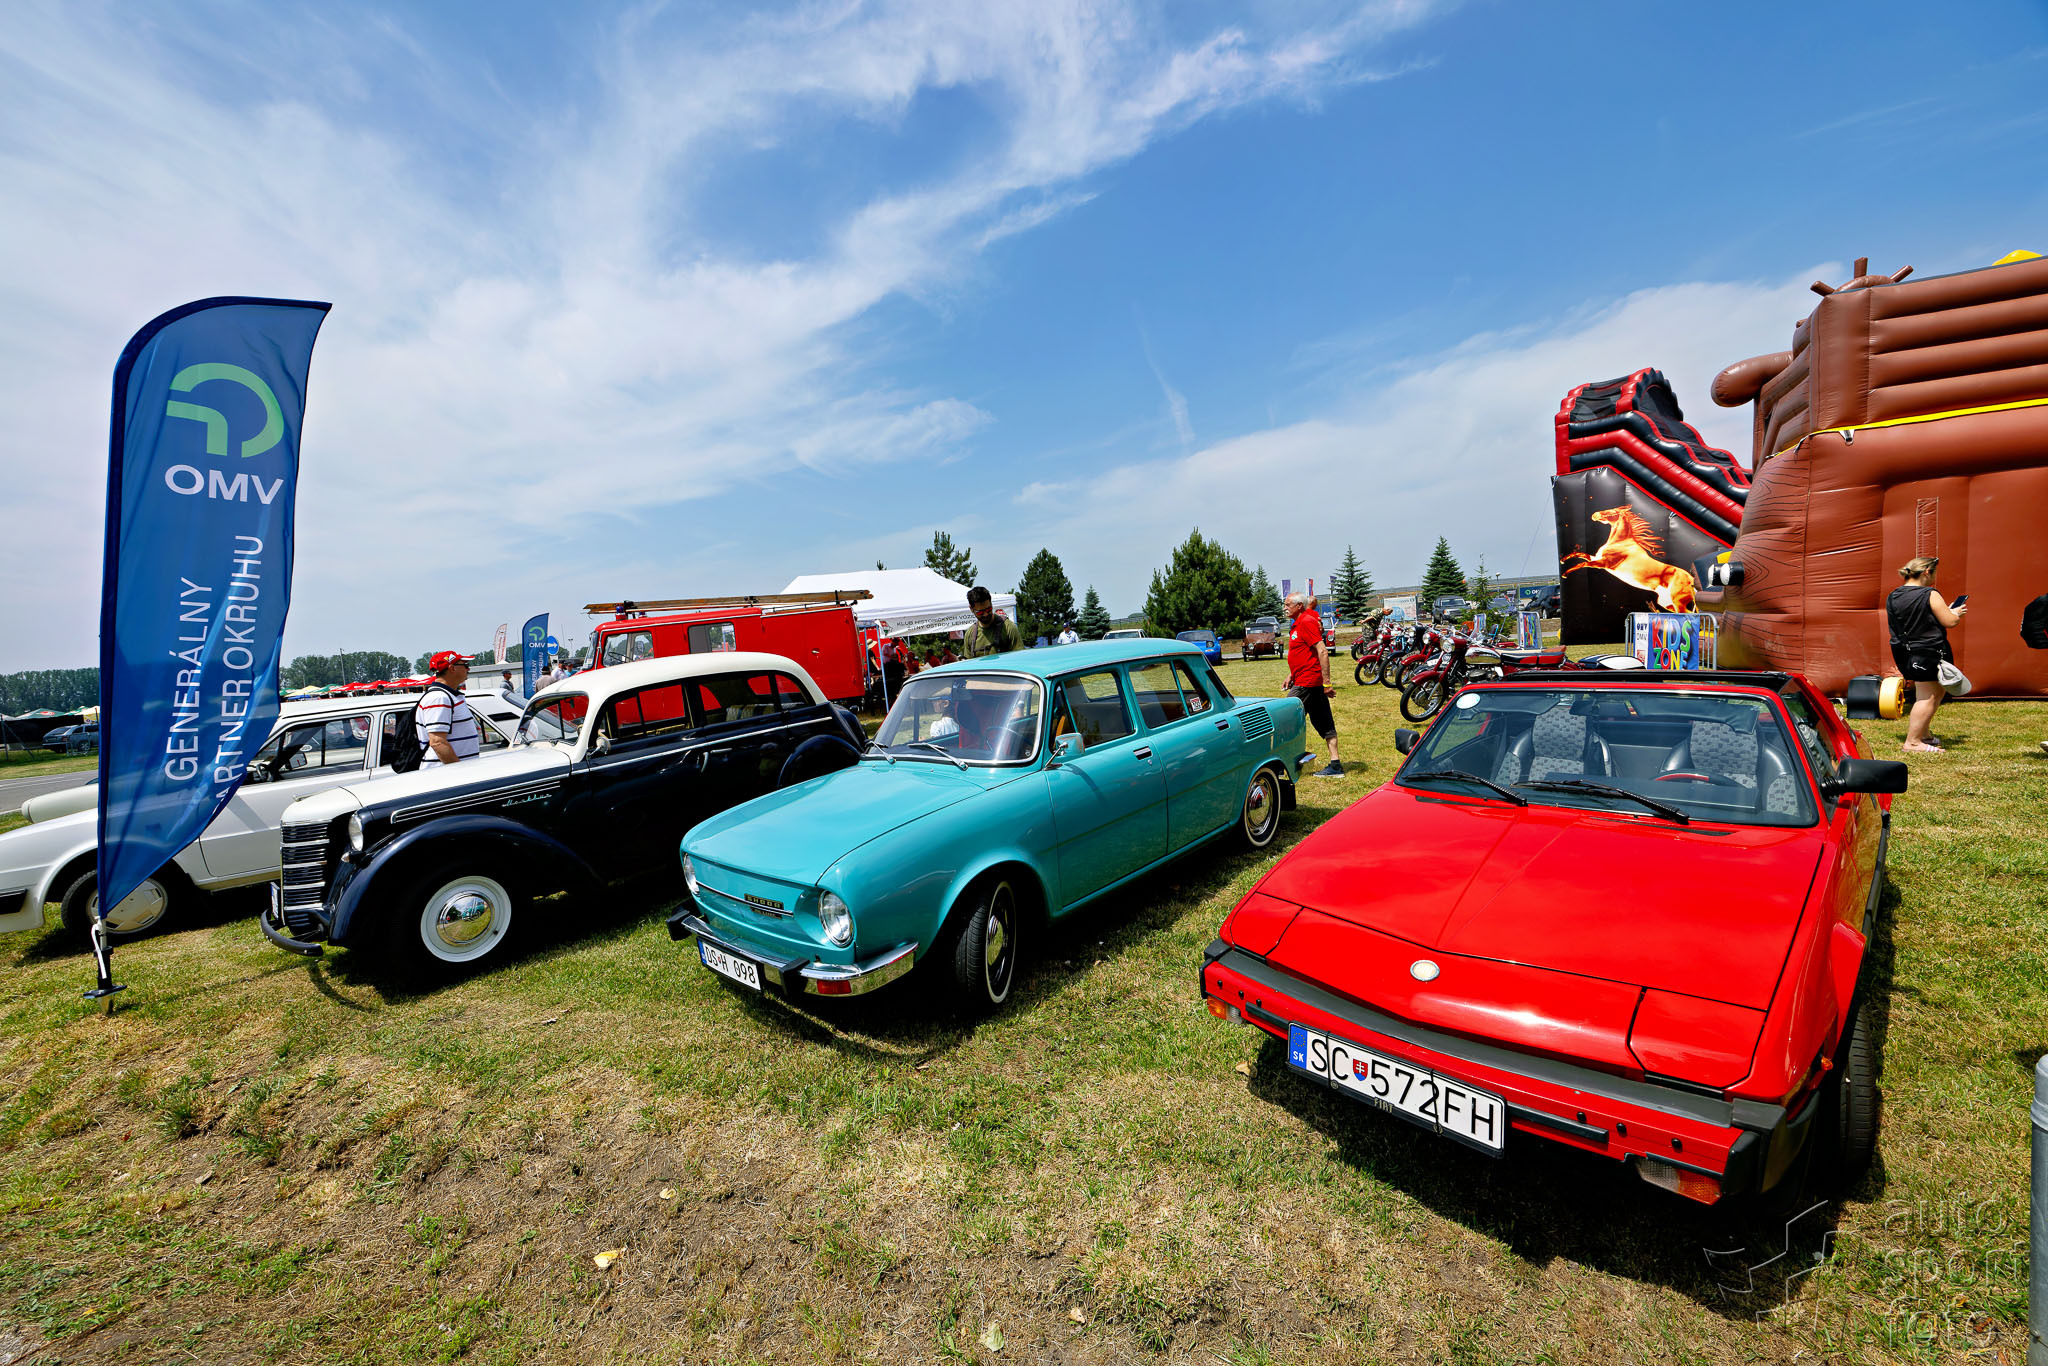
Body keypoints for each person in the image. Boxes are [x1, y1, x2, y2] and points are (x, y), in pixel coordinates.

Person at [1885, 556, 1965, 754]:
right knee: (1928, 696)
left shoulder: (1893, 595)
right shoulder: (1929, 594)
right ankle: (1912, 742)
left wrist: (1946, 612)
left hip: (1906, 651)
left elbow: (1917, 620)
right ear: (1927, 572)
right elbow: (1950, 622)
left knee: (1934, 692)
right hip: (1927, 650)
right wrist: (1955, 613)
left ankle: (1923, 734)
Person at [1285, 592, 1343, 776]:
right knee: (1324, 723)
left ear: (1299, 606)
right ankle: (1335, 765)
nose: (1285, 608)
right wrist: (1291, 674)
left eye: (1288, 605)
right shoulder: (1298, 623)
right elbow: (1305, 653)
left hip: (1307, 683)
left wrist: (1327, 683)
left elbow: (1322, 651)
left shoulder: (1306, 622)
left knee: (1286, 719)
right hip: (1305, 680)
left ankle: (1288, 763)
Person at [418, 651, 483, 768]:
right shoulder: (439, 698)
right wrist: (460, 771)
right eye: (465, 665)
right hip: (445, 774)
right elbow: (437, 742)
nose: (468, 669)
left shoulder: (447, 696)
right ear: (452, 668)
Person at [962, 586, 1022, 657]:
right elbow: (969, 663)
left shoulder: (1008, 628)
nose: (985, 614)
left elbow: (1020, 658)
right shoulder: (970, 635)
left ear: (991, 603)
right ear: (971, 609)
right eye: (980, 612)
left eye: (988, 609)